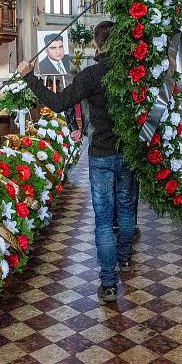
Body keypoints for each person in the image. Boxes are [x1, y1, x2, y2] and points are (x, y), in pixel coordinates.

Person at [17, 21, 136, 303]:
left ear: (96, 44)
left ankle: (109, 283)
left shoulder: (91, 74)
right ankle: (125, 259)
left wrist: (29, 77)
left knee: (105, 221)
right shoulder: (134, 74)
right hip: (129, 152)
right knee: (128, 207)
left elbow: (58, 103)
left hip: (101, 154)